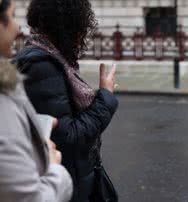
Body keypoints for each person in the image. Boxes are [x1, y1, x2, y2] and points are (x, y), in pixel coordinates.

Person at [14, 0, 119, 201]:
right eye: (81, 29)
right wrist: (105, 97)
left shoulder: (51, 58)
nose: (82, 37)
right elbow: (68, 138)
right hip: (67, 187)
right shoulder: (43, 67)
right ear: (69, 27)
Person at [0, 0, 73, 201]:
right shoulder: (43, 65)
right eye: (13, 16)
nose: (17, 27)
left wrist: (33, 122)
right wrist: (54, 168)